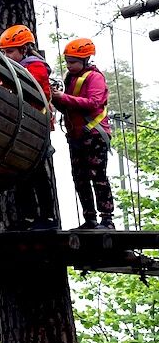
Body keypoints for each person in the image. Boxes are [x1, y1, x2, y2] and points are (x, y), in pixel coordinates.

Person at [0, 25, 58, 229]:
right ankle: (29, 217)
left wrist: (6, 83)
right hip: (22, 128)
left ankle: (48, 217)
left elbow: (32, 88)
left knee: (38, 173)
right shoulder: (11, 68)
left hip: (36, 128)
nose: (6, 55)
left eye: (10, 51)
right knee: (20, 173)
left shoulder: (36, 67)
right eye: (4, 52)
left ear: (24, 50)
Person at [51, 38, 115, 229]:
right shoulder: (70, 78)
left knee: (98, 176)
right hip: (76, 136)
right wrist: (56, 99)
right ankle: (90, 219)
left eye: (73, 62)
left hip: (94, 134)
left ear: (86, 60)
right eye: (67, 61)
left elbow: (93, 103)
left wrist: (63, 97)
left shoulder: (94, 77)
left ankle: (107, 219)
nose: (69, 65)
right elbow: (68, 108)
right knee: (80, 178)